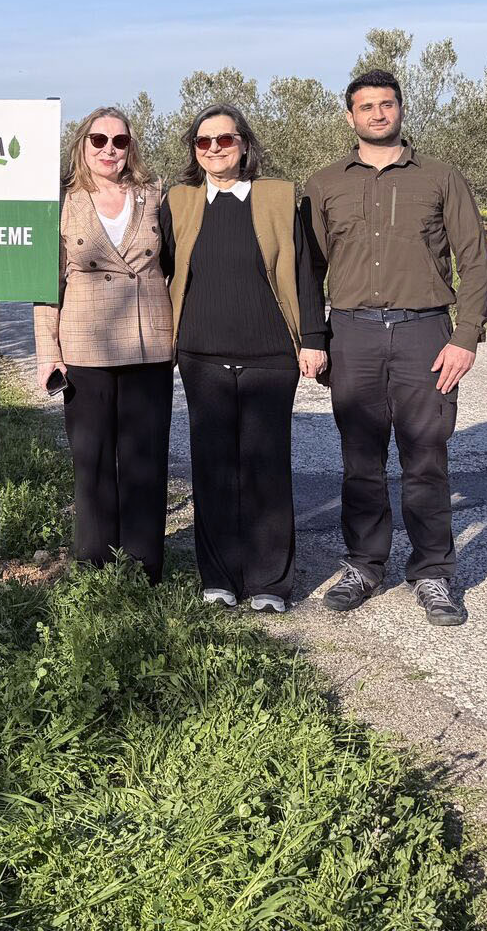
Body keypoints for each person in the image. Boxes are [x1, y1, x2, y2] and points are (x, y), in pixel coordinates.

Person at [302, 69, 487, 627]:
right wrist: (314, 339)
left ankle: (433, 572)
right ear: (350, 116)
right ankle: (365, 563)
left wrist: (465, 337)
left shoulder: (440, 177)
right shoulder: (324, 184)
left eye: (387, 105)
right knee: (360, 460)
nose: (378, 114)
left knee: (426, 458)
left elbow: (475, 260)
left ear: (402, 109)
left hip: (425, 334)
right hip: (353, 334)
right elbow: (307, 270)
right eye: (366, 107)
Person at [158, 105, 329, 613]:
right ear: (194, 150)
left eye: (225, 140)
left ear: (244, 144)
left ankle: (269, 581)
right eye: (203, 142)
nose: (214, 149)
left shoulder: (276, 197)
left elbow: (302, 272)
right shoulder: (180, 201)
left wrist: (313, 338)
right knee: (212, 467)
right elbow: (159, 269)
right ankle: (219, 577)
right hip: (200, 354)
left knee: (266, 467)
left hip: (270, 354)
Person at [33, 107, 175, 582]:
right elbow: (46, 283)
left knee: (146, 458)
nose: (110, 149)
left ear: (131, 147)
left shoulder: (154, 196)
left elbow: (176, 265)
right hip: (84, 348)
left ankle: (144, 568)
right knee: (91, 461)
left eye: (120, 141)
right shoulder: (61, 203)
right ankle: (95, 567)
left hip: (149, 346)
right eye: (99, 140)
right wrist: (48, 351)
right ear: (82, 145)